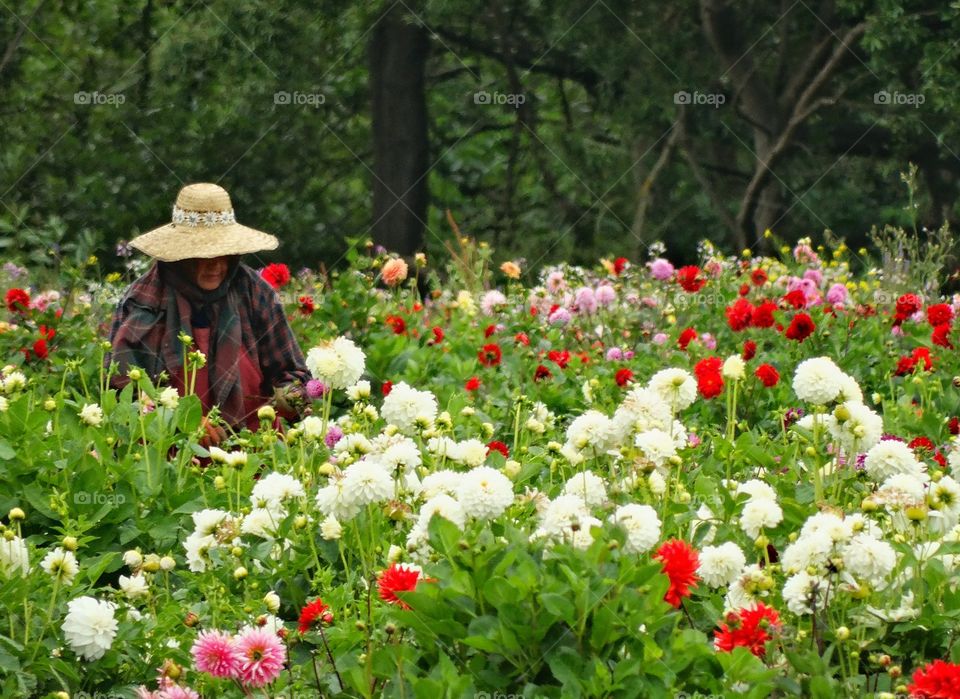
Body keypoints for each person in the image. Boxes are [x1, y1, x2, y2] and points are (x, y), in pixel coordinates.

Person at [107, 183, 310, 445]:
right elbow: (120, 393)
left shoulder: (254, 292)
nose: (216, 265)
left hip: (251, 451)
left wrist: (290, 396)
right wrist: (182, 419)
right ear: (181, 256)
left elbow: (294, 373)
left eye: (223, 253)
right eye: (203, 254)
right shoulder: (144, 301)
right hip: (165, 455)